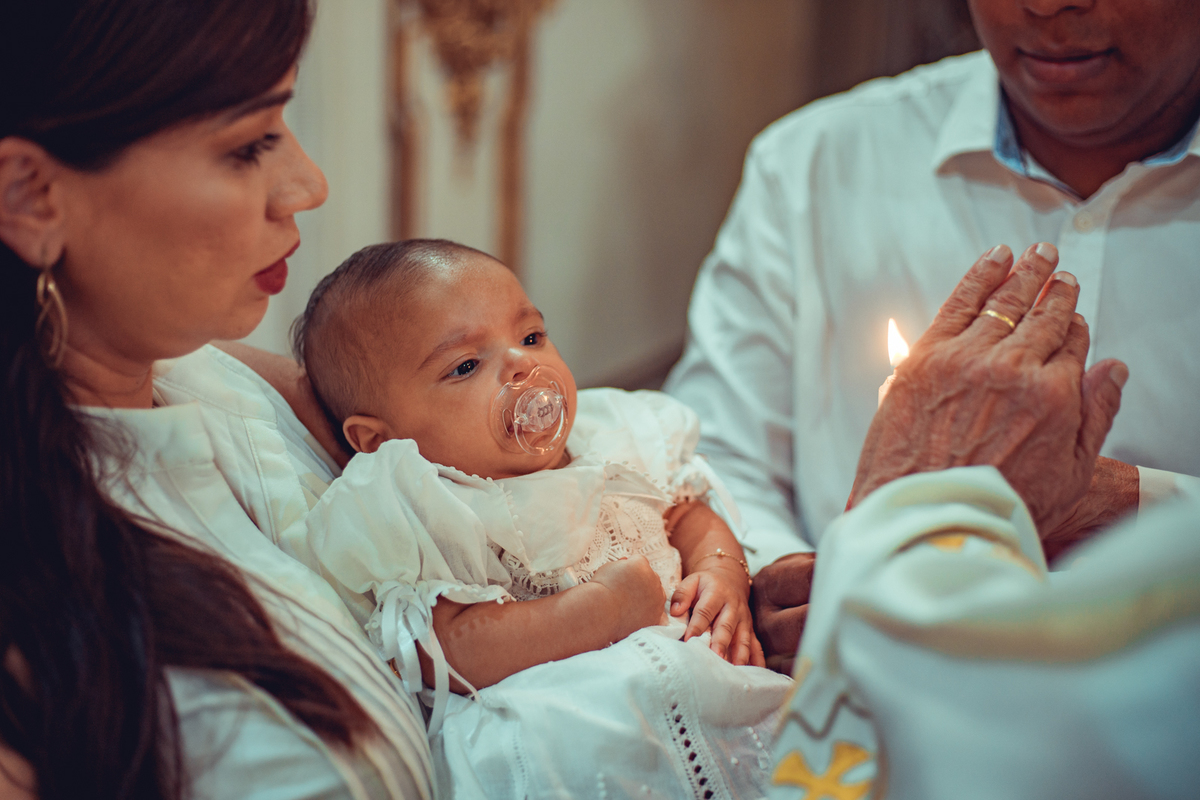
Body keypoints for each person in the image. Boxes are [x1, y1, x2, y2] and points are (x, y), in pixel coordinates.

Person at [663, 0, 1200, 665]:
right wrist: (785, 584)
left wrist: (1132, 507)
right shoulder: (813, 162)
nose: (1045, 4)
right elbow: (717, 455)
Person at [0, 2, 432, 797]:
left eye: (285, 120)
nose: (307, 184)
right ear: (32, 195)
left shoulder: (223, 376)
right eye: (248, 144)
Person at [290, 239, 794, 798]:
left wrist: (722, 570)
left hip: (716, 696)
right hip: (568, 736)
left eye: (530, 336)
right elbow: (446, 649)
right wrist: (598, 611)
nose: (522, 365)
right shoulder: (432, 504)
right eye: (466, 366)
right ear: (382, 439)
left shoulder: (610, 441)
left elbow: (688, 513)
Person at [767, 234, 1198, 798]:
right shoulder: (802, 158)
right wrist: (771, 584)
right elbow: (728, 450)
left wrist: (1139, 501)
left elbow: (974, 746)